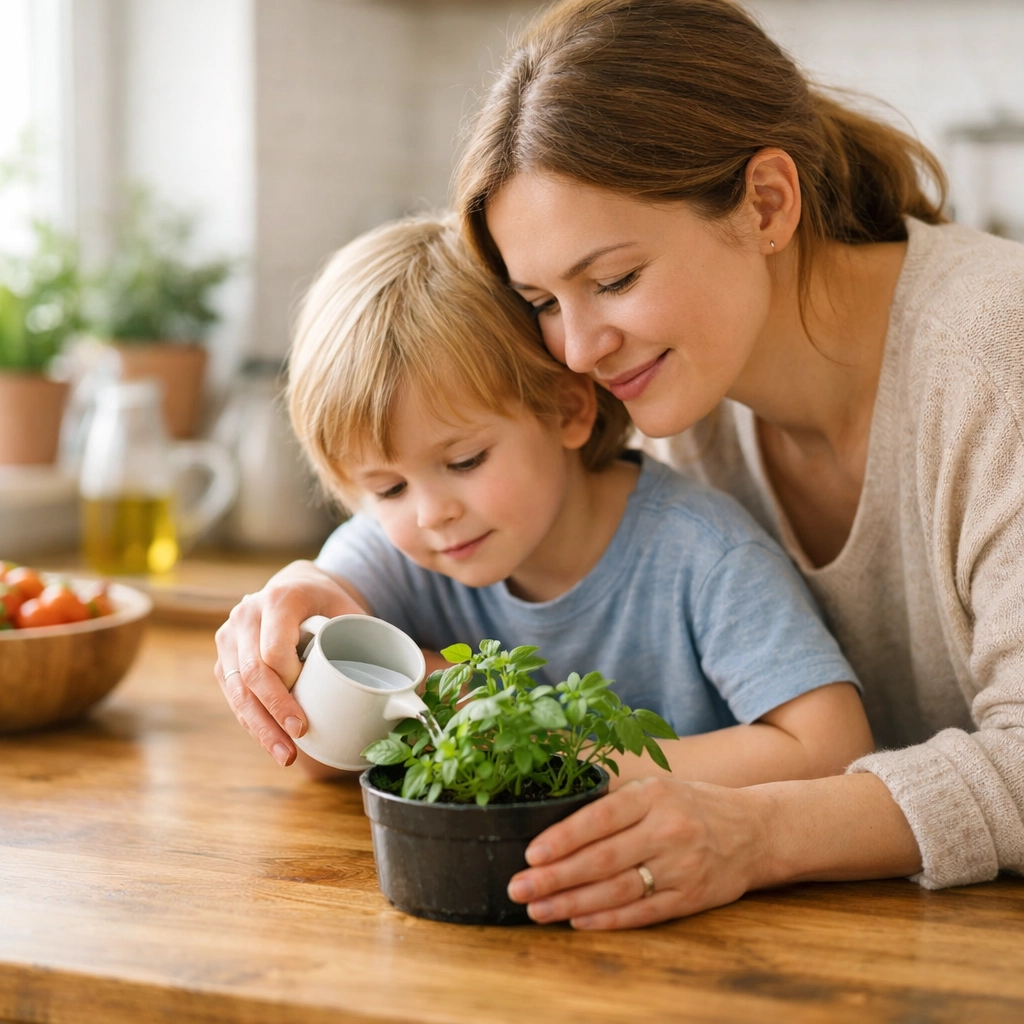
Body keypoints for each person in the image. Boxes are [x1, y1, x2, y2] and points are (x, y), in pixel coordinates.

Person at [447, 0, 1024, 928]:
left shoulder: (1001, 356)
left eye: (616, 279)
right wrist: (323, 589)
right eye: (544, 301)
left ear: (766, 204)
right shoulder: (678, 405)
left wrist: (755, 834)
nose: (580, 349)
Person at [216, 214, 871, 791]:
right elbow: (318, 761)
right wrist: (292, 604)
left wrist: (537, 751)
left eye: (465, 461)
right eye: (386, 488)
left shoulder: (707, 557)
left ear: (566, 408)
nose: (430, 513)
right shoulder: (398, 548)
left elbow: (833, 751)